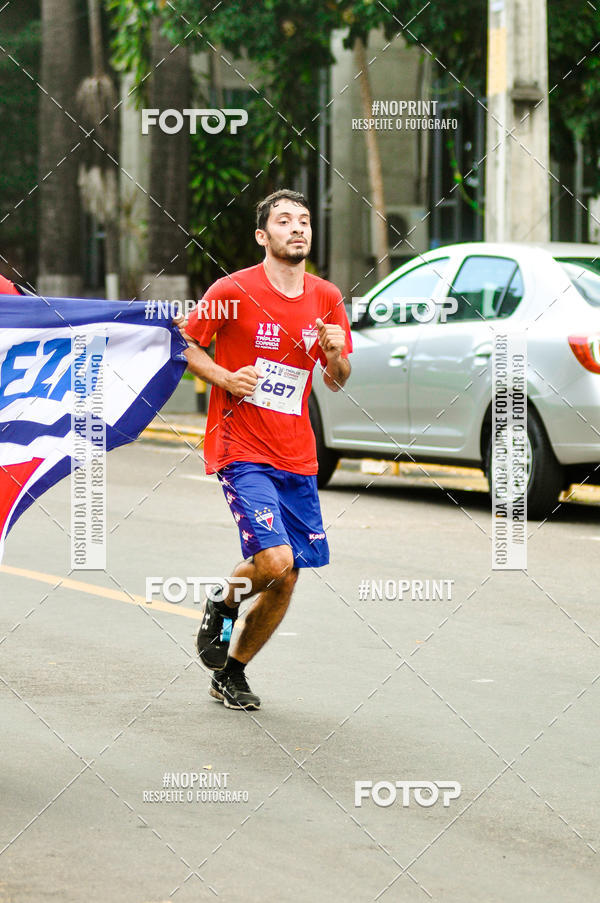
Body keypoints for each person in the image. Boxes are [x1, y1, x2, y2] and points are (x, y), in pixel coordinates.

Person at [179, 189, 352, 711]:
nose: (297, 228)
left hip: (297, 454)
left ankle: (231, 673)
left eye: (304, 221)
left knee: (288, 576)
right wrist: (224, 377)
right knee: (275, 561)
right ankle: (222, 603)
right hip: (241, 447)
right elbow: (185, 343)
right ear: (262, 235)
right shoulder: (232, 290)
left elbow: (337, 380)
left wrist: (335, 355)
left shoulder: (326, 297)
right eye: (284, 221)